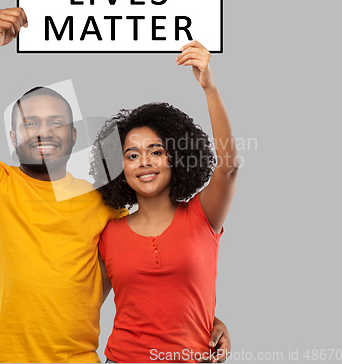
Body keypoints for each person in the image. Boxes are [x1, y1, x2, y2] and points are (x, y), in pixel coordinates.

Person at [0, 7, 231, 363]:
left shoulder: (104, 206)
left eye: (56, 121)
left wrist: (206, 321)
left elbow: (147, 281)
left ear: (74, 135)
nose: (44, 130)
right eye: (31, 123)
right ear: (13, 137)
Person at [89, 41, 238, 363]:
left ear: (176, 158)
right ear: (119, 167)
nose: (144, 162)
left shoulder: (203, 215)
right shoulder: (108, 233)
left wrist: (209, 88)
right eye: (131, 155)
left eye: (155, 151)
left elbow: (229, 167)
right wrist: (0, 291)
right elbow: (79, 303)